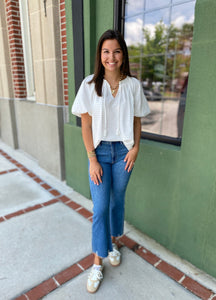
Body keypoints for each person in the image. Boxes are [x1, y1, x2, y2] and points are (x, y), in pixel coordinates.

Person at [71, 29, 150, 293]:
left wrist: (136, 148)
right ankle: (97, 262)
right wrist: (92, 159)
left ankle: (113, 242)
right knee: (100, 207)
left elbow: (137, 120)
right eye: (106, 51)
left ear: (123, 54)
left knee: (117, 202)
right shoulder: (90, 85)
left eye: (116, 51)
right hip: (100, 153)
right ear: (100, 55)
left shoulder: (133, 86)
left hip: (124, 154)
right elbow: (85, 124)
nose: (111, 56)